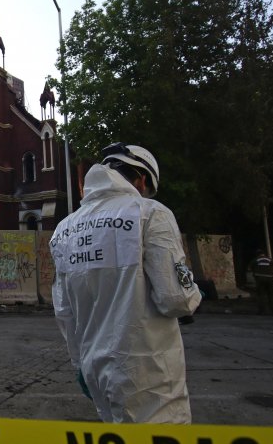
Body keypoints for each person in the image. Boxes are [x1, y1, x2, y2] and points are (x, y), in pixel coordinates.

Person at [50, 142, 202, 424]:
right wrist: (193, 293)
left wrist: (80, 365)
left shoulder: (64, 229)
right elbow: (175, 300)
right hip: (148, 371)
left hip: (94, 371)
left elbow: (64, 312)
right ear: (142, 180)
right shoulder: (151, 213)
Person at [247, 250, 273, 315]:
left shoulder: (255, 260)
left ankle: (262, 311)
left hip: (260, 279)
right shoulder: (271, 260)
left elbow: (249, 269)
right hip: (270, 279)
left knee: (261, 295)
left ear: (258, 255)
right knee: (271, 295)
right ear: (264, 254)